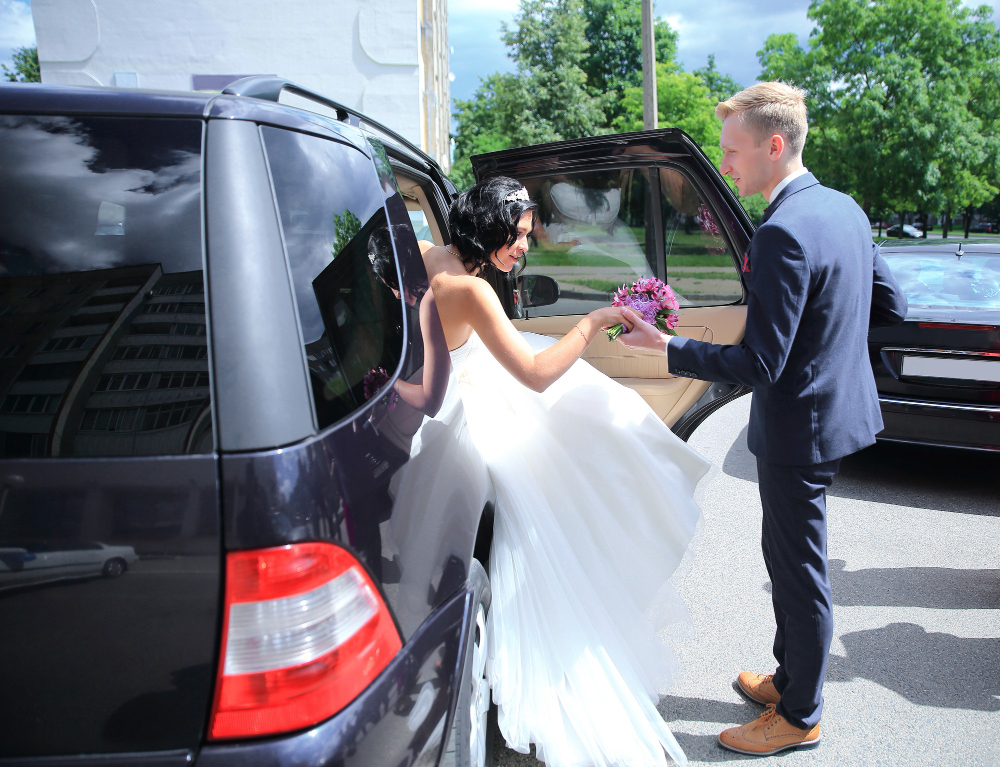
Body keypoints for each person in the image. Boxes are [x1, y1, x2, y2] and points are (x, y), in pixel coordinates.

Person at [619, 82, 908, 756]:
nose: (724, 164)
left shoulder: (781, 231)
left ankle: (800, 715)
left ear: (774, 146)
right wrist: (832, 346)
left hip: (800, 428)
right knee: (786, 559)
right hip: (834, 414)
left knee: (798, 570)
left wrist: (666, 347)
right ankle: (789, 678)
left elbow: (762, 363)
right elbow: (888, 303)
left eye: (733, 150)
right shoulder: (845, 209)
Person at [422, 175, 711, 766]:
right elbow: (534, 375)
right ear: (491, 225)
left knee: (594, 418)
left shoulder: (427, 257)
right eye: (519, 234)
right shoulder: (471, 291)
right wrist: (593, 321)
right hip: (482, 405)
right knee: (600, 425)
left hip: (454, 391)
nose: (526, 245)